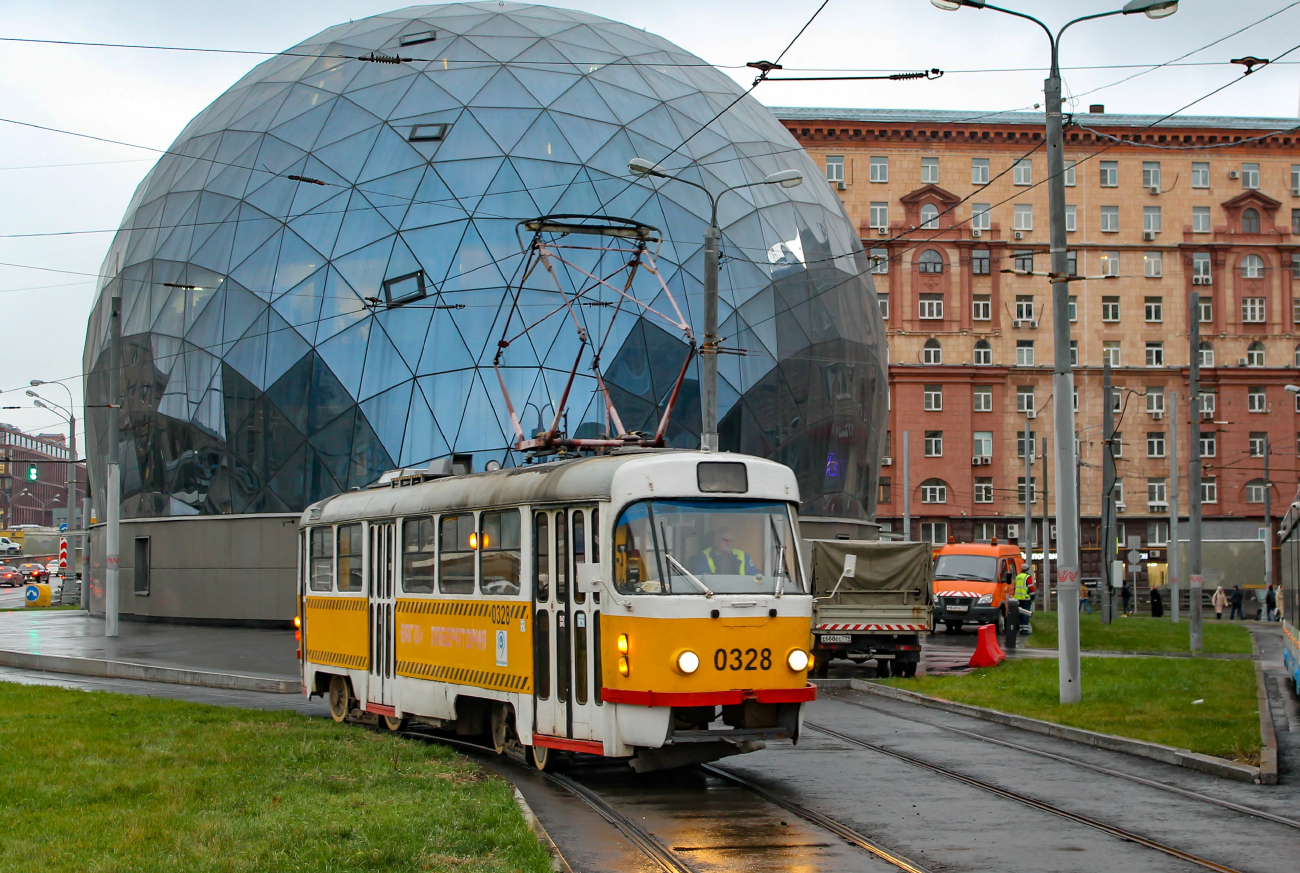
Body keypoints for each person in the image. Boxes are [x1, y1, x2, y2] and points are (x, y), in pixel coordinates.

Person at [690, 529, 759, 576]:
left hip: (740, 592)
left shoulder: (743, 556)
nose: (728, 543)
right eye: (725, 540)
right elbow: (702, 578)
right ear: (716, 541)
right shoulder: (704, 556)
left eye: (731, 540)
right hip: (714, 592)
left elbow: (756, 576)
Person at [1014, 565, 1033, 634]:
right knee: (1026, 613)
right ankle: (1025, 630)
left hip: (1018, 598)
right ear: (1027, 569)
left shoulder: (1018, 576)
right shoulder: (1028, 577)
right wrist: (1033, 597)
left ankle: (1021, 628)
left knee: (1020, 613)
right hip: (1026, 597)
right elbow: (1031, 588)